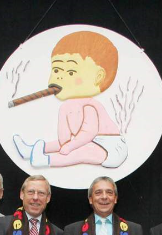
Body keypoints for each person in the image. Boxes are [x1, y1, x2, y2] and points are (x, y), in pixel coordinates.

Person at [13, 30, 127, 169]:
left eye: (71, 72)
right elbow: (64, 138)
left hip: (111, 147)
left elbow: (88, 133)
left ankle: (46, 160)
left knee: (84, 150)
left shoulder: (89, 106)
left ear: (98, 77)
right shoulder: (65, 107)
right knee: (63, 144)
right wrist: (67, 144)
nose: (59, 77)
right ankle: (30, 151)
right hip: (86, 141)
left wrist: (70, 147)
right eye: (56, 70)